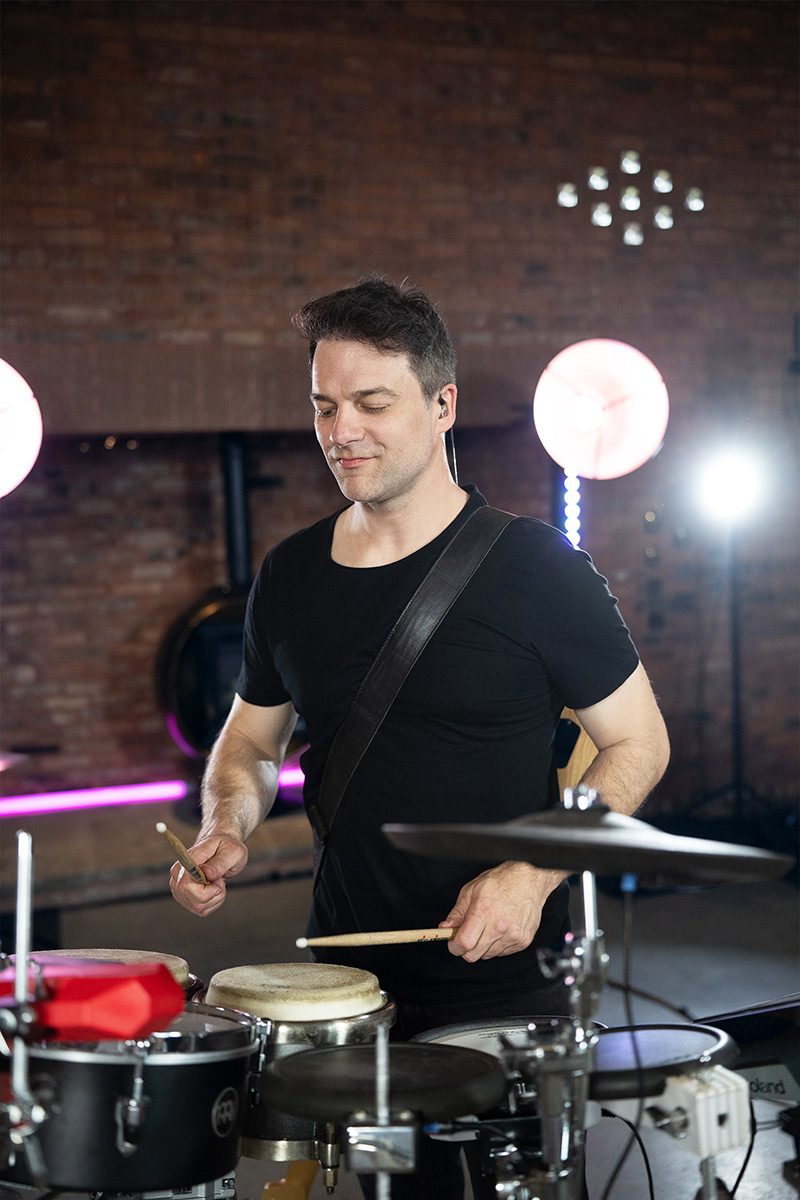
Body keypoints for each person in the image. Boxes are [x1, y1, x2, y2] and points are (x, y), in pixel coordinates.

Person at [170, 276, 670, 1198]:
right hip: (349, 986)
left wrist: (533, 873)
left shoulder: (536, 567)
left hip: (504, 982)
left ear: (443, 406)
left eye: (372, 403)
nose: (341, 431)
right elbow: (250, 744)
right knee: (391, 1190)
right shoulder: (289, 575)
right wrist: (226, 823)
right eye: (324, 406)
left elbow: (639, 743)